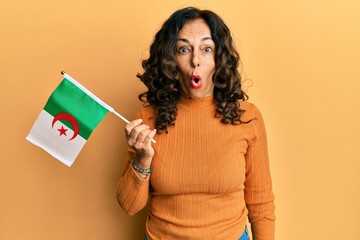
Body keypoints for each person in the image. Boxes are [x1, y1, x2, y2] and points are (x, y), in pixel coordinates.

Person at [116, 7, 275, 240]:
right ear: (170, 60)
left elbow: (261, 205)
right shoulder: (148, 118)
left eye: (206, 49)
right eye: (183, 49)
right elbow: (129, 206)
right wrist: (142, 160)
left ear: (219, 59)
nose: (195, 60)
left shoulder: (247, 118)